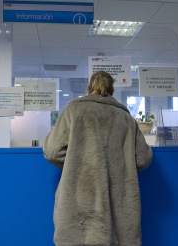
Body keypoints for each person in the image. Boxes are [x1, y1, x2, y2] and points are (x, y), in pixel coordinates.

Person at [43, 71, 153, 246]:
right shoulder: (125, 117)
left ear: (89, 88)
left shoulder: (74, 110)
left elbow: (53, 152)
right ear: (112, 90)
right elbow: (143, 159)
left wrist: (76, 157)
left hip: (79, 200)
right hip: (118, 205)